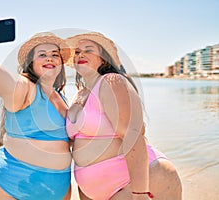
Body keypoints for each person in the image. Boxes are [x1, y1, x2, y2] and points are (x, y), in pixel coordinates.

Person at [0, 19, 72, 200]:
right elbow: (1, 79)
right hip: (5, 186)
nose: (50, 57)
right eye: (42, 54)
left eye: (55, 54)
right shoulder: (25, 87)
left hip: (54, 190)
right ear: (31, 63)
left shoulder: (60, 97)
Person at [65, 32, 182, 200]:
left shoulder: (111, 81)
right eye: (77, 52)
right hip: (92, 189)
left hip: (131, 183)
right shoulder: (80, 93)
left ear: (104, 58)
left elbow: (132, 134)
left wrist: (140, 192)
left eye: (88, 50)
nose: (80, 54)